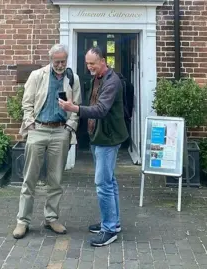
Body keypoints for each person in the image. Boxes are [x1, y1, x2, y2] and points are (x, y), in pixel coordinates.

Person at [58, 46, 129, 247]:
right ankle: (113, 223)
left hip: (108, 139)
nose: (89, 67)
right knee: (109, 182)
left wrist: (74, 108)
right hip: (98, 137)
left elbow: (101, 110)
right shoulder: (97, 78)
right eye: (87, 63)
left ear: (103, 61)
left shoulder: (112, 81)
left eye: (92, 64)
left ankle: (109, 230)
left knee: (103, 184)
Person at [13, 44, 81, 239]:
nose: (60, 65)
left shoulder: (72, 78)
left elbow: (76, 105)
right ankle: (22, 221)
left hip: (60, 131)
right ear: (50, 59)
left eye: (63, 61)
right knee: (30, 178)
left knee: (56, 179)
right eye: (57, 61)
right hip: (38, 129)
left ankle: (51, 218)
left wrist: (69, 127)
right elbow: (27, 103)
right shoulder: (37, 76)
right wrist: (30, 123)